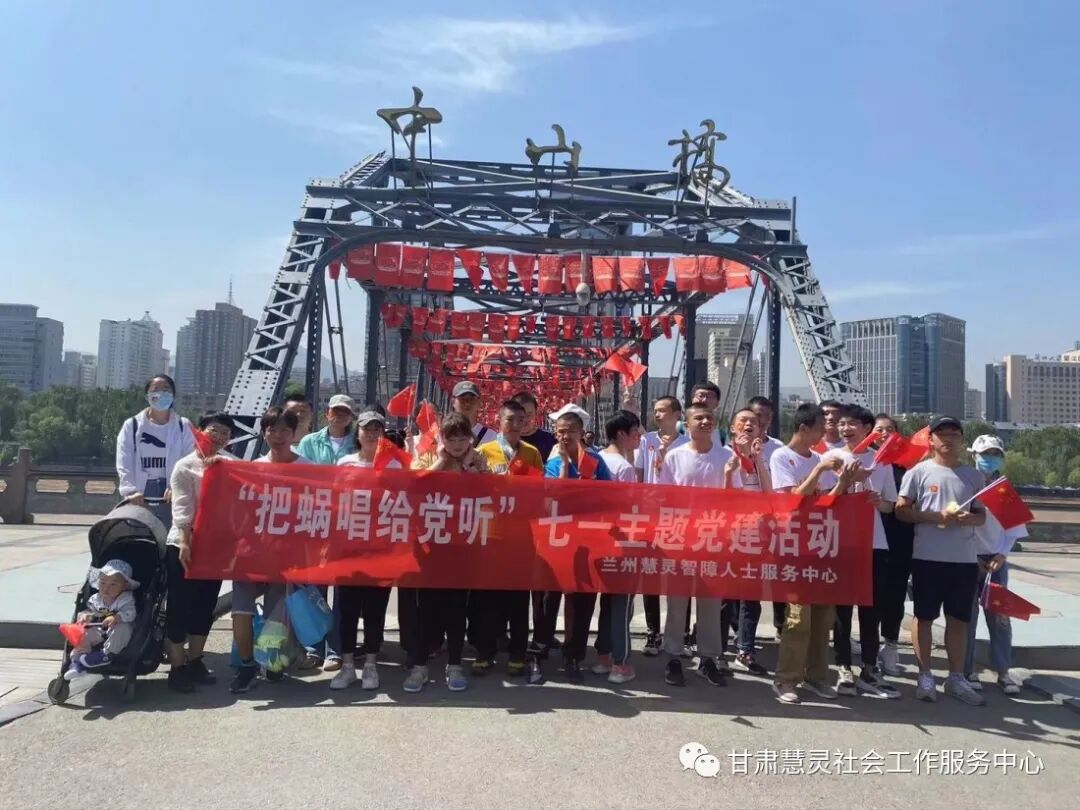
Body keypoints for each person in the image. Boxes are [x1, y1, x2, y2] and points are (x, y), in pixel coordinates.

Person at [895, 415, 987, 706]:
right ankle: (925, 675)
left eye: (954, 434)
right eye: (942, 434)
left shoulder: (974, 476)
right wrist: (934, 517)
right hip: (928, 557)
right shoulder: (919, 472)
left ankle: (956, 678)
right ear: (931, 439)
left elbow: (981, 515)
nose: (948, 439)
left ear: (961, 440)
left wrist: (969, 519)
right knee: (924, 617)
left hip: (963, 559)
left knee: (958, 619)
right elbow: (901, 510)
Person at [770, 403, 858, 705]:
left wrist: (843, 482)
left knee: (823, 617)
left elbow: (827, 502)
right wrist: (819, 470)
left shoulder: (821, 458)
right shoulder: (781, 456)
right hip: (794, 547)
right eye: (820, 428)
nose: (825, 433)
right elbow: (791, 501)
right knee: (798, 618)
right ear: (803, 428)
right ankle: (786, 678)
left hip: (821, 545)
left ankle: (817, 675)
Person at [659, 402, 742, 689]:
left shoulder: (727, 457)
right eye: (699, 418)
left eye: (709, 417)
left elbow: (736, 500)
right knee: (677, 602)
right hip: (682, 538)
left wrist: (729, 475)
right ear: (687, 424)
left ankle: (708, 658)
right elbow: (665, 497)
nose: (705, 422)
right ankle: (673, 656)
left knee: (710, 603)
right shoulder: (675, 456)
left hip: (714, 538)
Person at [405, 413, 489, 694]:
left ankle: (454, 666)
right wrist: (442, 461)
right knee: (425, 609)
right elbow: (415, 484)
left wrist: (470, 469)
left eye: (462, 438)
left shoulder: (478, 459)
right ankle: (419, 667)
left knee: (456, 609)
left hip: (462, 543)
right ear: (442, 438)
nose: (457, 444)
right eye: (451, 438)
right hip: (430, 544)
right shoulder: (428, 455)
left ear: (470, 438)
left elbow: (491, 493)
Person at [821, 405, 901, 699]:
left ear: (868, 429)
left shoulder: (881, 462)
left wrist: (878, 502)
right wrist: (845, 484)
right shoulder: (830, 458)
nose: (845, 428)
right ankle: (844, 667)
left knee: (871, 609)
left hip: (874, 542)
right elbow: (823, 501)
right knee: (842, 610)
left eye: (852, 423)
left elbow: (891, 505)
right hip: (840, 541)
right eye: (842, 424)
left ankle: (869, 668)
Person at [230, 407, 310, 694]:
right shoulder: (253, 468)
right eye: (272, 430)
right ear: (264, 433)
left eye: (284, 430)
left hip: (285, 556)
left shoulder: (308, 469)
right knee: (241, 612)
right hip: (251, 553)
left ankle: (273, 661)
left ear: (294, 433)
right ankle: (247, 665)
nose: (278, 435)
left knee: (277, 615)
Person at [163, 411, 236, 693]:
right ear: (200, 431)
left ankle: (195, 660)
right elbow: (182, 507)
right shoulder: (184, 466)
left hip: (214, 547)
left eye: (225, 433)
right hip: (184, 545)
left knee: (205, 606)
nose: (219, 437)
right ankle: (177, 667)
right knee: (179, 606)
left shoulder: (232, 465)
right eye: (214, 430)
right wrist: (185, 541)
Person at [473, 400, 545, 678]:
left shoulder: (532, 453)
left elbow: (539, 493)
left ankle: (517, 654)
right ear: (498, 421)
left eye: (520, 420)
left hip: (521, 537)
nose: (515, 425)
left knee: (518, 600)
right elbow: (474, 491)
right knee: (487, 600)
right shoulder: (484, 452)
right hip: (491, 535)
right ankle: (485, 652)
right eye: (510, 420)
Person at [330, 408, 398, 691]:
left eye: (376, 429)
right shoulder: (344, 463)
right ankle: (347, 665)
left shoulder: (395, 466)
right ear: (357, 433)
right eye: (366, 429)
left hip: (381, 548)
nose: (371, 434)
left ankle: (370, 663)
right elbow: (334, 503)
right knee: (346, 608)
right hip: (349, 547)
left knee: (374, 608)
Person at [544, 408, 612, 684]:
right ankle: (541, 650)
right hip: (558, 539)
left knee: (582, 601)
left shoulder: (596, 462)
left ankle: (573, 655)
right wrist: (563, 465)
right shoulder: (552, 463)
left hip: (588, 539)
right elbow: (555, 497)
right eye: (560, 432)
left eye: (570, 431)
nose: (564, 436)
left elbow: (609, 496)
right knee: (549, 598)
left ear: (581, 433)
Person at [294, 393, 358, 671]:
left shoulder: (357, 443)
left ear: (351, 417)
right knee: (314, 590)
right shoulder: (309, 442)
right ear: (327, 413)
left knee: (342, 591)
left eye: (345, 412)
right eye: (336, 411)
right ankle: (314, 647)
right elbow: (300, 479)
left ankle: (336, 649)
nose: (340, 415)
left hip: (346, 523)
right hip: (316, 521)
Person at [964, 434, 1025, 696]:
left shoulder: (1003, 488)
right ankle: (967, 670)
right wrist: (971, 554)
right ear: (973, 455)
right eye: (985, 454)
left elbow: (1013, 528)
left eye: (995, 454)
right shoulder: (965, 483)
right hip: (968, 559)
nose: (990, 459)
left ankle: (1003, 671)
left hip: (995, 562)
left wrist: (1002, 554)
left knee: (1000, 618)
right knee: (967, 618)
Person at [592, 409, 644, 684]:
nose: (639, 437)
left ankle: (603, 656)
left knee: (608, 601)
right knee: (622, 604)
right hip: (622, 542)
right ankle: (620, 663)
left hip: (599, 542)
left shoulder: (597, 458)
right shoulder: (623, 468)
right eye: (636, 432)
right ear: (622, 434)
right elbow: (629, 509)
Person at [634, 395, 688, 657]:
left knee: (680, 576)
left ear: (677, 414)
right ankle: (653, 632)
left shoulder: (688, 442)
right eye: (655, 410)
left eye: (662, 410)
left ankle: (680, 634)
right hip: (652, 515)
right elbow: (639, 473)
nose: (657, 415)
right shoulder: (647, 440)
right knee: (651, 573)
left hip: (679, 516)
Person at [726, 407, 773, 678]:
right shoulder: (724, 455)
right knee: (727, 594)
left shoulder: (761, 457)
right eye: (742, 421)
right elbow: (726, 494)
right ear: (733, 427)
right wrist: (738, 459)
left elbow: (769, 493)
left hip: (756, 534)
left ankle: (746, 649)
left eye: (753, 422)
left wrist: (757, 460)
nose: (748, 425)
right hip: (727, 534)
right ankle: (719, 646)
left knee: (751, 596)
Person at [115, 374, 196, 531]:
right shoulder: (132, 425)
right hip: (140, 492)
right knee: (140, 534)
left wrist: (178, 486)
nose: (161, 393)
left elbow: (190, 459)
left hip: (171, 493)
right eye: (156, 389)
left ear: (173, 395)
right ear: (147, 395)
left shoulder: (183, 426)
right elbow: (124, 459)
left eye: (166, 389)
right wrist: (130, 490)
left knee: (172, 534)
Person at [872, 413, 914, 675]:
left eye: (889, 429)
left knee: (895, 595)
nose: (884, 434)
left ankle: (890, 645)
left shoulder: (908, 469)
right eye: (879, 430)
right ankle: (867, 647)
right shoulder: (863, 463)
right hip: (867, 539)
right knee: (869, 596)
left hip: (899, 539)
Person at [749, 395, 788, 638]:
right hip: (744, 522)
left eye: (765, 416)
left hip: (773, 521)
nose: (760, 420)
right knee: (745, 577)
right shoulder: (732, 447)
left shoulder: (779, 449)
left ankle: (780, 624)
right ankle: (742, 632)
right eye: (756, 415)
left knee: (778, 575)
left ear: (771, 419)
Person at [64, 560, 139, 678]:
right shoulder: (96, 598)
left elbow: (130, 612)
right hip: (99, 627)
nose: (106, 588)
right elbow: (90, 610)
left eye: (113, 584)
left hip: (118, 627)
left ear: (124, 585)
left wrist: (117, 617)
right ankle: (77, 662)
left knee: (123, 629)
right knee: (83, 634)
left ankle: (106, 655)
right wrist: (86, 616)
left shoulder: (126, 598)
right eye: (103, 583)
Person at [513, 391, 557, 460]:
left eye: (529, 414)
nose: (525, 419)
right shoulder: (505, 441)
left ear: (536, 413)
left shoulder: (550, 440)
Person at [451, 380, 498, 446]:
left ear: (479, 402)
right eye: (462, 399)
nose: (467, 403)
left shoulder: (491, 437)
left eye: (472, 399)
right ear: (453, 402)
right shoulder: (445, 433)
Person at [690, 381, 726, 446]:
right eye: (700, 396)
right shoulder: (679, 429)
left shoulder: (721, 435)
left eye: (710, 397)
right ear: (692, 399)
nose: (704, 400)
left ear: (717, 403)